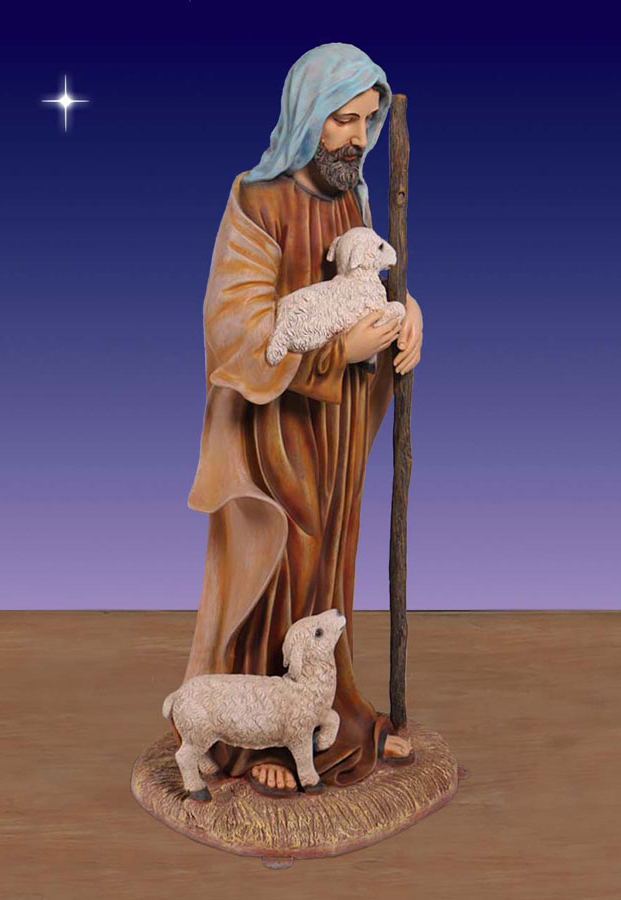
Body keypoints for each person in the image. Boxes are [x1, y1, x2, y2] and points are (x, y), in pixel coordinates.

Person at [180, 43, 424, 795]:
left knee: (329, 573)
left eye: (367, 121)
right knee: (282, 570)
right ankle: (259, 742)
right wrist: (338, 350)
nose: (356, 137)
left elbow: (363, 284)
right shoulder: (256, 200)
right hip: (274, 434)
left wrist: (407, 315)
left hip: (335, 430)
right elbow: (233, 329)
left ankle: (333, 717)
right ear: (307, 114)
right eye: (342, 119)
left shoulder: (351, 200)